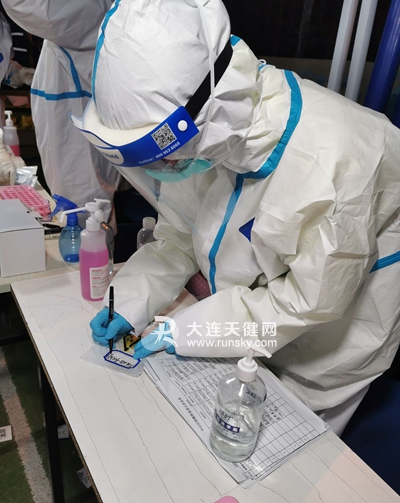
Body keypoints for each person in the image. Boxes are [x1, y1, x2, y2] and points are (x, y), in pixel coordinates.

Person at [83, 0, 400, 435]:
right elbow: (179, 234)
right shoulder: (212, 136)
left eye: (165, 155)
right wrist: (130, 298)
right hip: (253, 315)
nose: (164, 168)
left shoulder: (333, 162)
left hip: (328, 339)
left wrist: (187, 332)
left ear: (207, 113)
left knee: (293, 445)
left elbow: (309, 303)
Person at [2, 0, 121, 220]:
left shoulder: (86, 10)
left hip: (76, 121)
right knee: (87, 205)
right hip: (73, 109)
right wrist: (12, 73)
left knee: (85, 207)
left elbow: (34, 9)